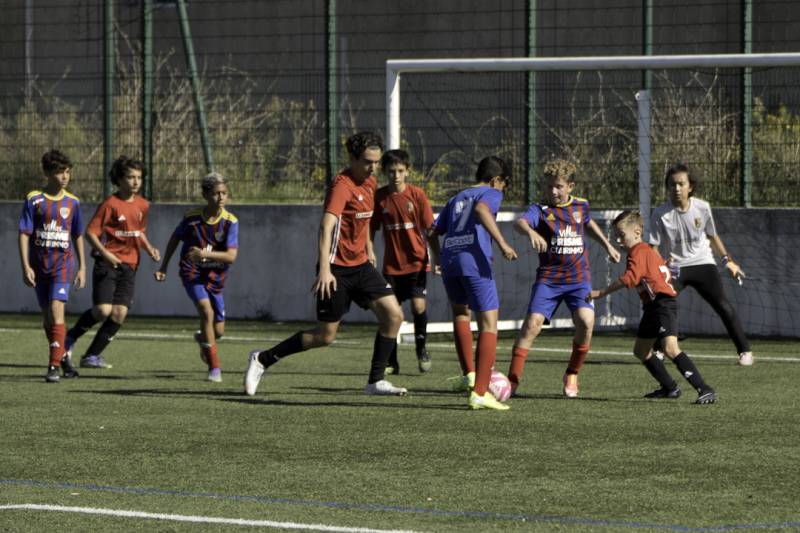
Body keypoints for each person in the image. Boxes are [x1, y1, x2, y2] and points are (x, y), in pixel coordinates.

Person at [243, 131, 407, 397]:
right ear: (353, 159)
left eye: (376, 162)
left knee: (394, 315)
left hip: (362, 266)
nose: (373, 167)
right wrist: (325, 269)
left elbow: (362, 222)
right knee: (325, 336)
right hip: (337, 270)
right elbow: (326, 226)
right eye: (367, 161)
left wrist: (368, 248)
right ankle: (263, 359)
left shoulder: (370, 182)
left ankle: (375, 381)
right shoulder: (342, 185)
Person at [507, 159, 620, 398]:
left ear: (570, 186)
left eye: (558, 186)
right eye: (549, 187)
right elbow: (519, 222)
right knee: (532, 325)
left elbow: (587, 224)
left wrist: (607, 245)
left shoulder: (581, 206)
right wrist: (530, 232)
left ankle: (572, 374)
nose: (553, 192)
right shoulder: (539, 210)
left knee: (586, 322)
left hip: (579, 279)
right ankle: (512, 381)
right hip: (549, 279)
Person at [588, 210, 717, 404]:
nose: (619, 241)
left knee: (670, 348)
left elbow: (630, 278)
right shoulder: (647, 250)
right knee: (641, 350)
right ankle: (670, 387)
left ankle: (704, 389)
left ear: (637, 233)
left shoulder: (638, 252)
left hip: (662, 304)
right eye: (616, 236)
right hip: (652, 306)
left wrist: (601, 292)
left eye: (622, 235)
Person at [429, 155, 517, 410]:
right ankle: (480, 392)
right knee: (489, 323)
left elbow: (433, 232)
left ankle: (469, 375)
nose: (503, 190)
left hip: (451, 261)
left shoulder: (456, 197)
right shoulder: (489, 193)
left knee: (460, 314)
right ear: (496, 180)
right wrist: (502, 244)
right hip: (473, 262)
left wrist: (438, 258)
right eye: (504, 184)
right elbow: (481, 210)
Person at [649, 163, 754, 366]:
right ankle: (658, 348)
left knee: (723, 305)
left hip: (703, 263)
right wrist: (660, 265)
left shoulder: (702, 208)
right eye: (672, 185)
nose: (676, 189)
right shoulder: (660, 213)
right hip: (675, 267)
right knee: (659, 305)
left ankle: (745, 351)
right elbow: (653, 246)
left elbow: (712, 236)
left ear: (690, 187)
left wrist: (728, 261)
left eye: (681, 184)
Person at [64, 156, 160, 369]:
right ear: (119, 179)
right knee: (102, 311)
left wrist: (149, 247)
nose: (136, 181)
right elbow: (91, 233)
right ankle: (69, 339)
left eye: (139, 177)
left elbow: (138, 232)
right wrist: (106, 255)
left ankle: (91, 356)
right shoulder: (110, 204)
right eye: (130, 177)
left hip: (130, 265)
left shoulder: (143, 205)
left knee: (120, 313)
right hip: (107, 264)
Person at [155, 172, 238, 382]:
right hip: (191, 272)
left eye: (224, 193)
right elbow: (175, 239)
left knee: (218, 331)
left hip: (216, 278)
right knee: (206, 312)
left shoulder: (230, 222)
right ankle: (215, 368)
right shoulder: (192, 218)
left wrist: (204, 254)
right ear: (205, 194)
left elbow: (231, 256)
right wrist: (163, 266)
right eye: (216, 193)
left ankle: (203, 339)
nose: (221, 198)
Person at [18, 149, 87, 382]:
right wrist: (25, 266)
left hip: (63, 266)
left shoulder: (73, 202)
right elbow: (24, 233)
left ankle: (53, 366)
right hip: (39, 266)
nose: (65, 177)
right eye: (59, 172)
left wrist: (82, 267)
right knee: (47, 317)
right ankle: (64, 357)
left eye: (67, 172)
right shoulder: (34, 199)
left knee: (57, 310)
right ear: (47, 173)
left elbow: (78, 234)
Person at [369, 149, 435, 374]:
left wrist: (438, 258)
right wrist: (369, 251)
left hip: (417, 262)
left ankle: (421, 348)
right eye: (391, 172)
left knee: (418, 307)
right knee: (391, 313)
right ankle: (391, 361)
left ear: (407, 171)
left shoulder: (417, 196)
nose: (395, 176)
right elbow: (370, 229)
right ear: (385, 172)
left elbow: (430, 229)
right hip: (391, 266)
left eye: (400, 171)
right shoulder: (380, 198)